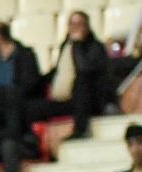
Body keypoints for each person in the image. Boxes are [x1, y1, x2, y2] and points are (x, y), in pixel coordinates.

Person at [30, 12, 112, 140]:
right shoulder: (66, 45)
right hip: (61, 101)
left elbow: (84, 70)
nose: (75, 27)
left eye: (79, 24)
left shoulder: (95, 47)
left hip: (86, 101)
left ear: (87, 26)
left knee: (82, 83)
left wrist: (78, 45)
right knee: (31, 106)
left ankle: (80, 130)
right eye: (72, 24)